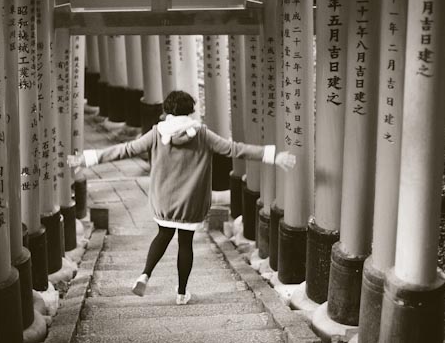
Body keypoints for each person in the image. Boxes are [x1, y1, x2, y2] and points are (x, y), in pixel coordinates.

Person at [68, 90, 296, 305]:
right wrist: (273, 155)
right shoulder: (203, 134)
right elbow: (234, 149)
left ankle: (145, 274)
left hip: (164, 200)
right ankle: (181, 293)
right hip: (191, 202)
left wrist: (88, 159)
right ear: (190, 111)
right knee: (185, 243)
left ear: (167, 111)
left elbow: (126, 149)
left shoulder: (157, 133)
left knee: (163, 234)